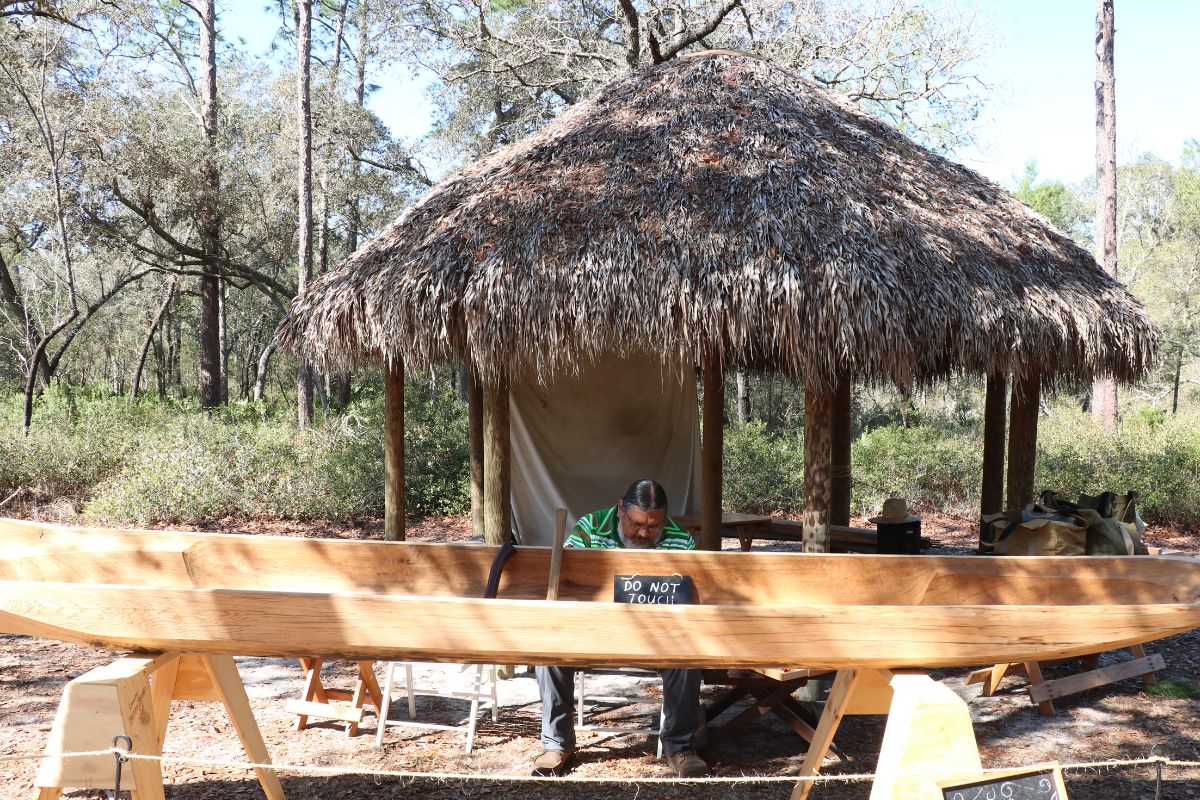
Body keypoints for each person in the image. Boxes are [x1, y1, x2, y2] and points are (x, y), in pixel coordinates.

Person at [531, 479, 709, 778]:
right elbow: (570, 584)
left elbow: (687, 602)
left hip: (657, 636)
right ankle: (556, 744)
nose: (643, 533)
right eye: (636, 523)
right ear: (620, 509)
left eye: (654, 527)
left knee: (686, 658)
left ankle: (680, 747)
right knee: (548, 655)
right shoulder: (591, 527)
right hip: (593, 630)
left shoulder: (681, 540)